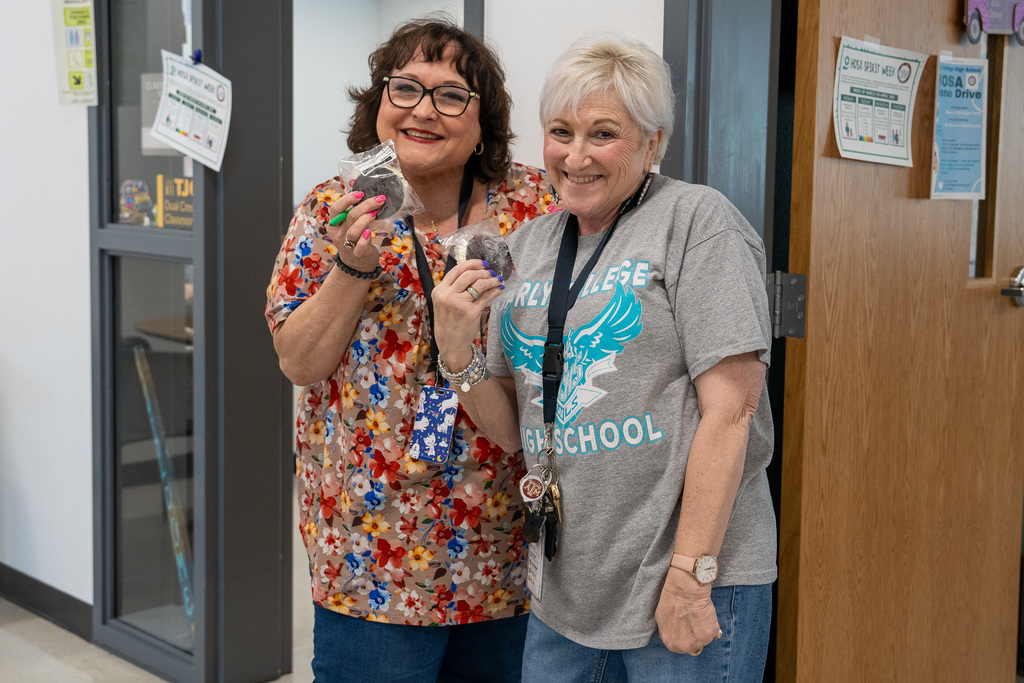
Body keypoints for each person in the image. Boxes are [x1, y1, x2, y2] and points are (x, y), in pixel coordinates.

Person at [432, 35, 776, 681]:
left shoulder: (697, 221)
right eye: (560, 131)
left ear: (653, 142)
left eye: (603, 133)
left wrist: (691, 575)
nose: (576, 154)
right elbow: (515, 430)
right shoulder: (528, 245)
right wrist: (456, 350)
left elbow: (733, 412)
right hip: (569, 592)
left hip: (686, 579)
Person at [265, 18, 557, 682]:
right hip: (372, 553)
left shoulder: (535, 209)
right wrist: (351, 267)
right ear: (379, 106)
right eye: (406, 88)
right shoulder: (332, 211)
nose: (424, 110)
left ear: (485, 123)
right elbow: (299, 362)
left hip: (505, 543)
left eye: (451, 95)